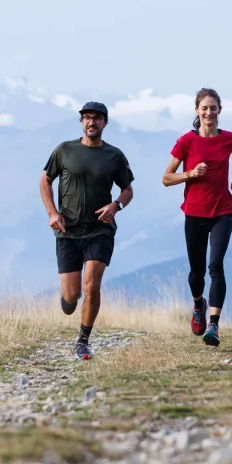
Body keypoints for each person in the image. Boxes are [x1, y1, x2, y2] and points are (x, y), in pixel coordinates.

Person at [39, 101, 135, 359]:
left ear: (105, 123)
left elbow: (128, 191)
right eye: (87, 118)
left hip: (100, 230)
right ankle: (69, 300)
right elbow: (45, 180)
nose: (91, 122)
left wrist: (116, 205)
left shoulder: (114, 155)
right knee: (72, 296)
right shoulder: (65, 150)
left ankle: (83, 340)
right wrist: (52, 213)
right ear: (81, 122)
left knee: (92, 284)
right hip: (67, 230)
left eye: (97, 118)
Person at [162, 88, 232, 347]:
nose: (209, 112)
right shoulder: (186, 141)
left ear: (220, 111)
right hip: (195, 212)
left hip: (223, 210)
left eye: (213, 108)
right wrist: (190, 174)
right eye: (204, 108)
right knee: (196, 273)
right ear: (197, 111)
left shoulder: (230, 139)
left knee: (216, 266)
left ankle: (214, 326)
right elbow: (166, 178)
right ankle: (199, 304)